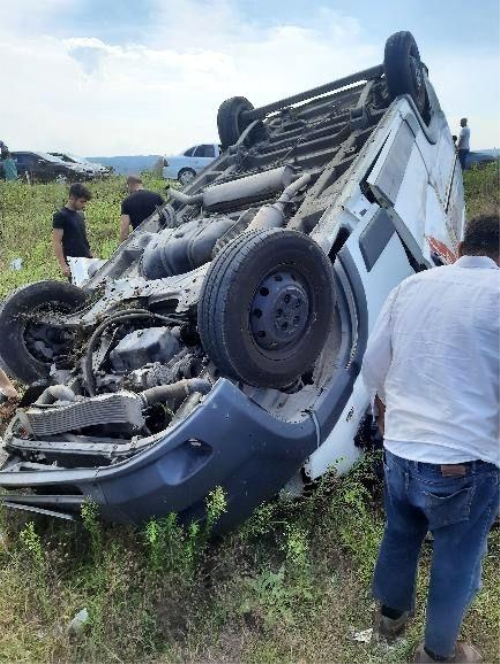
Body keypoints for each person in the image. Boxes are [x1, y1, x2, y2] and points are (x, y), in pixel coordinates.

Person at [362, 214, 500, 664]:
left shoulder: (411, 288)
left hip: (401, 450)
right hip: (466, 461)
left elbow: (372, 367)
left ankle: (390, 619)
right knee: (456, 556)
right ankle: (438, 654)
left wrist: (389, 416)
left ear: (460, 249)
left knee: (400, 534)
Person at [52, 183, 93, 279]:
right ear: (72, 198)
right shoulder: (60, 216)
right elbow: (56, 242)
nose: (84, 205)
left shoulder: (80, 215)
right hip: (73, 262)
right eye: (82, 202)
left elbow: (82, 237)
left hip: (86, 259)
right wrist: (63, 265)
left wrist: (90, 254)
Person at [120, 175, 164, 242]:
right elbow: (166, 216)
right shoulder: (157, 196)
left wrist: (121, 247)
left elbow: (124, 229)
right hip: (159, 238)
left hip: (141, 241)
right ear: (140, 184)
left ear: (130, 185)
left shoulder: (126, 202)